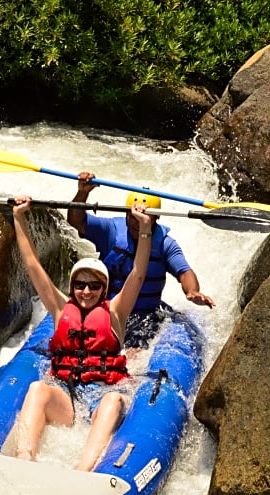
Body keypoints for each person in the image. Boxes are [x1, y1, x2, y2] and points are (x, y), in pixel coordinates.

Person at [11, 194, 153, 471]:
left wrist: (144, 228)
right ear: (73, 286)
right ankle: (23, 461)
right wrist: (19, 218)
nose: (86, 291)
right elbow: (31, 264)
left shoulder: (115, 312)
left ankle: (83, 471)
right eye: (80, 285)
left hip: (103, 393)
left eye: (93, 286)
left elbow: (138, 274)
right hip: (67, 393)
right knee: (37, 389)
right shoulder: (60, 308)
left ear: (103, 289)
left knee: (113, 401)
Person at [67, 172, 216, 348]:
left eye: (145, 218)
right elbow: (77, 221)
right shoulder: (111, 231)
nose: (137, 223)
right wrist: (83, 193)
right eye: (133, 217)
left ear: (156, 218)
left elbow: (184, 271)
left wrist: (192, 291)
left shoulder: (165, 244)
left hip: (145, 315)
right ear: (126, 214)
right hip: (109, 308)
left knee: (134, 351)